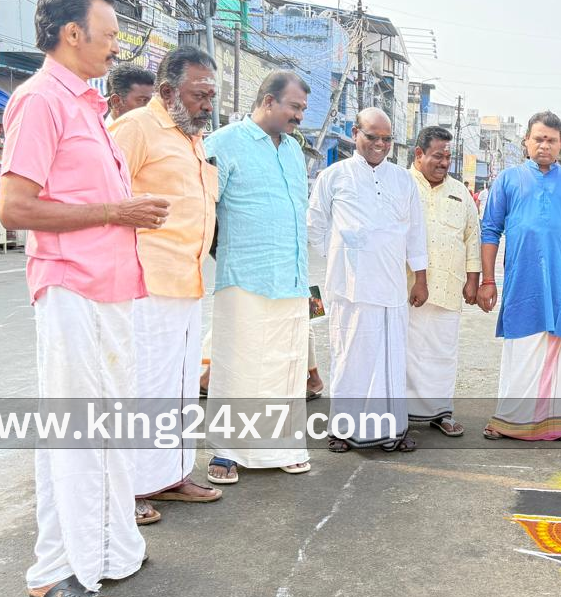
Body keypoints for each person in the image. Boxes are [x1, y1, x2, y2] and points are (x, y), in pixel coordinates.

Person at [0, 0, 165, 597]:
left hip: (110, 287)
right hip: (69, 285)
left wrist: (123, 215)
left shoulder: (90, 107)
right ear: (73, 34)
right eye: (111, 34)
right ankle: (54, 570)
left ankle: (109, 550)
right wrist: (118, 209)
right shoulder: (40, 100)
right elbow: (15, 208)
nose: (117, 46)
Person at [108, 46, 222, 524]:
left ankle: (169, 475)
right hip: (145, 281)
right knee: (139, 388)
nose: (208, 104)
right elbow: (103, 199)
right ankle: (126, 489)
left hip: (186, 280)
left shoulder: (190, 135)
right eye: (200, 94)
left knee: (176, 388)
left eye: (211, 95)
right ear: (169, 91)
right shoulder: (134, 128)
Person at [204, 71, 314, 482]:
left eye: (302, 108)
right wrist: (226, 255)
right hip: (244, 276)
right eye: (294, 107)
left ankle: (283, 446)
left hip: (291, 276)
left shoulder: (291, 150)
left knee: (286, 365)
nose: (299, 116)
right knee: (240, 364)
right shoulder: (224, 142)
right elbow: (206, 210)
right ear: (268, 101)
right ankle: (228, 452)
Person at [308, 107, 428, 452]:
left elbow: (415, 232)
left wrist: (420, 278)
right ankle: (342, 430)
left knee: (390, 357)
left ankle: (392, 430)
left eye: (387, 139)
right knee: (350, 355)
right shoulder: (334, 175)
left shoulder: (403, 179)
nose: (380, 144)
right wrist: (339, 257)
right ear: (354, 133)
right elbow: (314, 225)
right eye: (372, 136)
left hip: (392, 285)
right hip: (350, 287)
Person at [478, 111, 561, 442]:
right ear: (526, 142)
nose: (544, 145)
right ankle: (508, 418)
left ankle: (559, 421)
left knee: (559, 347)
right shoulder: (508, 179)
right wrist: (488, 280)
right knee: (521, 344)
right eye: (539, 138)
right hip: (521, 279)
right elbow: (490, 231)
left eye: (551, 140)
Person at [405, 124, 481, 437]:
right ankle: (401, 413)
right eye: (438, 156)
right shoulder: (401, 184)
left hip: (449, 287)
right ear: (419, 154)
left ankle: (441, 412)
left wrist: (473, 280)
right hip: (407, 287)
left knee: (442, 352)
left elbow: (472, 237)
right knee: (406, 351)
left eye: (448, 157)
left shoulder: (460, 191)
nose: (443, 162)